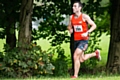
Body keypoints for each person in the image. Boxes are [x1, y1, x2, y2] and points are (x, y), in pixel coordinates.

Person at [67, 1, 101, 78]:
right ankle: (95, 54)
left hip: (84, 40)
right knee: (81, 59)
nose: (73, 8)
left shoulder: (84, 17)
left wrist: (87, 32)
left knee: (75, 56)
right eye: (73, 6)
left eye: (75, 6)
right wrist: (70, 30)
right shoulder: (71, 17)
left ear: (80, 8)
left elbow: (94, 25)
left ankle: (75, 75)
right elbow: (69, 26)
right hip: (76, 40)